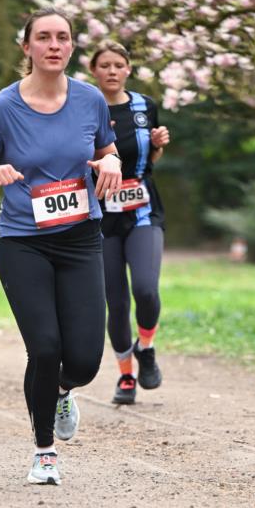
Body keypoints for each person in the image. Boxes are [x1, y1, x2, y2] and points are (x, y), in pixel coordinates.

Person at [0, 8, 122, 486]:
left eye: (63, 37)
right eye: (44, 37)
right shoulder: (3, 108)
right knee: (45, 347)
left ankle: (64, 390)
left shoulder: (91, 100)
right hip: (23, 242)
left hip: (80, 239)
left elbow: (105, 149)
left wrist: (110, 162)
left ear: (72, 48)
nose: (54, 45)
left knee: (86, 360)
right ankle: (44, 451)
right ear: (26, 47)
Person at [90, 42, 170, 405]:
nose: (111, 70)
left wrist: (157, 145)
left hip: (142, 209)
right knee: (116, 302)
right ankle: (125, 377)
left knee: (146, 289)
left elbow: (150, 158)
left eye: (118, 65)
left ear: (128, 70)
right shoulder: (82, 106)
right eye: (104, 65)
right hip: (101, 215)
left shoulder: (144, 106)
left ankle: (147, 347)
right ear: (93, 70)